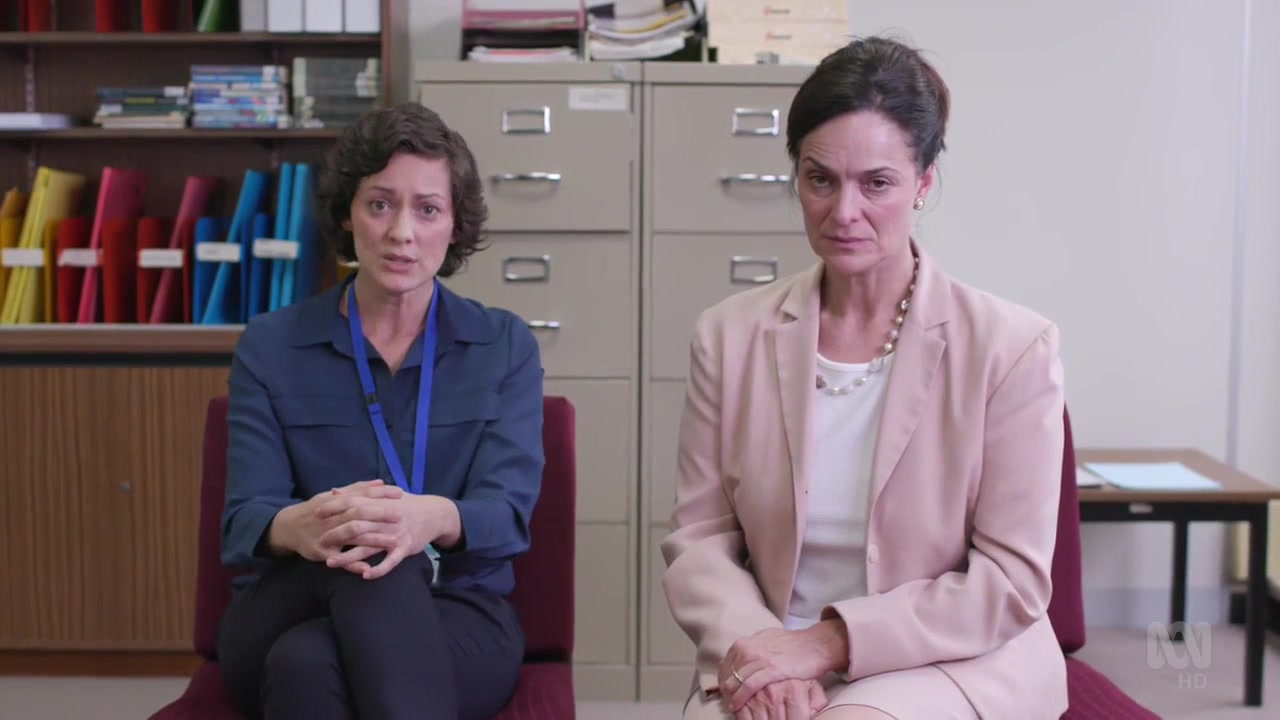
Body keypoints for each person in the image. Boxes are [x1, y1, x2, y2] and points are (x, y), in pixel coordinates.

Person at [661, 36, 1068, 720]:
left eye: (876, 183)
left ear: (924, 183)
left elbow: (1009, 581)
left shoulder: (1012, 347)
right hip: (770, 642)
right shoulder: (728, 336)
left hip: (950, 658)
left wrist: (827, 643)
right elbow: (700, 540)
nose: (843, 212)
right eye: (820, 179)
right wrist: (766, 654)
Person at [216, 102, 544, 720]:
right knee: (366, 547)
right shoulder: (271, 345)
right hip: (292, 597)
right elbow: (242, 522)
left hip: (456, 609)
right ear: (347, 213)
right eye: (380, 204)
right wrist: (301, 526)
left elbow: (506, 517)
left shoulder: (503, 345)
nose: (401, 233)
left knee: (306, 665)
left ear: (455, 225)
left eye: (428, 209)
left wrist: (426, 520)